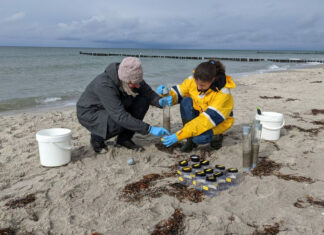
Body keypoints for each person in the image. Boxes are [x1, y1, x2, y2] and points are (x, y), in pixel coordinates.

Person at [76, 57, 172, 153]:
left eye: (139, 82)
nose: (138, 86)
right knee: (118, 122)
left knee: (143, 100)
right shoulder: (104, 85)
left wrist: (159, 101)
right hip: (90, 112)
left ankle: (124, 139)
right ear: (125, 80)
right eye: (134, 84)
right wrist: (149, 129)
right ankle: (97, 138)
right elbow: (120, 116)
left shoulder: (133, 77)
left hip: (114, 106)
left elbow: (148, 93)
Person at [158, 60, 236, 152]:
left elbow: (205, 121)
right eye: (197, 83)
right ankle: (190, 142)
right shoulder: (194, 79)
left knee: (199, 138)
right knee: (186, 101)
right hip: (201, 113)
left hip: (216, 120)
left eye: (202, 85)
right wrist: (167, 94)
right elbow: (179, 92)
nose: (198, 87)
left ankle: (216, 137)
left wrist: (179, 135)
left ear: (213, 80)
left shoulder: (223, 94)